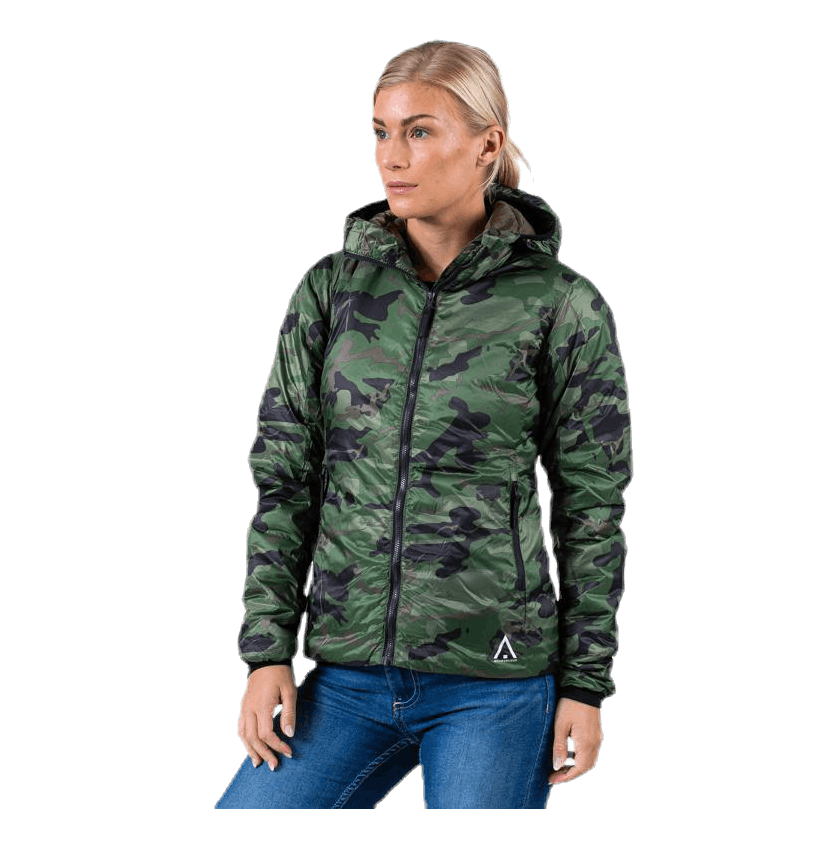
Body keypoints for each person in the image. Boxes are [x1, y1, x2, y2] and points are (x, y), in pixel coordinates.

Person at [215, 40, 632, 810]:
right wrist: (265, 653)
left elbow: (592, 506)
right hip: (346, 675)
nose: (390, 155)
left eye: (419, 131)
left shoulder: (559, 304)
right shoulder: (331, 289)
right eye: (380, 131)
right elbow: (282, 479)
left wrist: (585, 685)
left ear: (487, 146)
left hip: (494, 683)